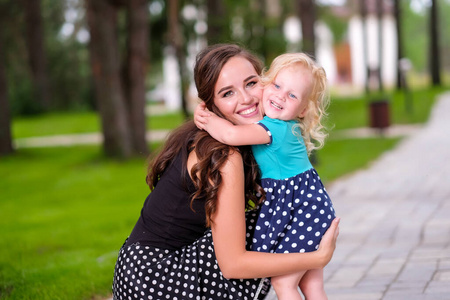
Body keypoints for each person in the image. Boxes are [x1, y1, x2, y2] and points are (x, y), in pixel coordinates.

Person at [112, 44, 339, 300]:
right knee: (262, 228)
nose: (246, 99)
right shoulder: (224, 156)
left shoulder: (255, 138)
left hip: (139, 268)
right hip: (153, 279)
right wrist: (316, 257)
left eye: (251, 83)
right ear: (212, 105)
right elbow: (233, 265)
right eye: (228, 93)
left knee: (271, 218)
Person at [194, 52, 335, 300]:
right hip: (312, 208)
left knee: (283, 283)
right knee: (312, 286)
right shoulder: (283, 125)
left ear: (302, 110)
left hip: (302, 211)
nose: (280, 95)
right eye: (277, 85)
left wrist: (206, 118)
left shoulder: (274, 129)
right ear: (267, 82)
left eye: (292, 95)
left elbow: (231, 136)